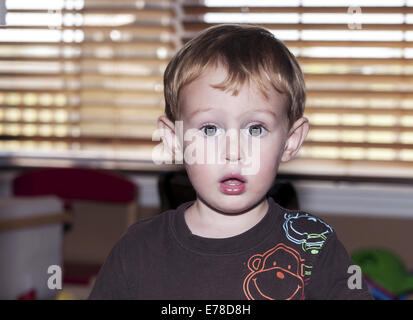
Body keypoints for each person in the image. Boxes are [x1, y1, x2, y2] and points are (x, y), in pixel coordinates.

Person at [88, 24, 373, 300]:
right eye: (210, 129)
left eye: (255, 129)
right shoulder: (138, 249)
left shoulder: (313, 245)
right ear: (174, 140)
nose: (234, 151)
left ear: (290, 141)